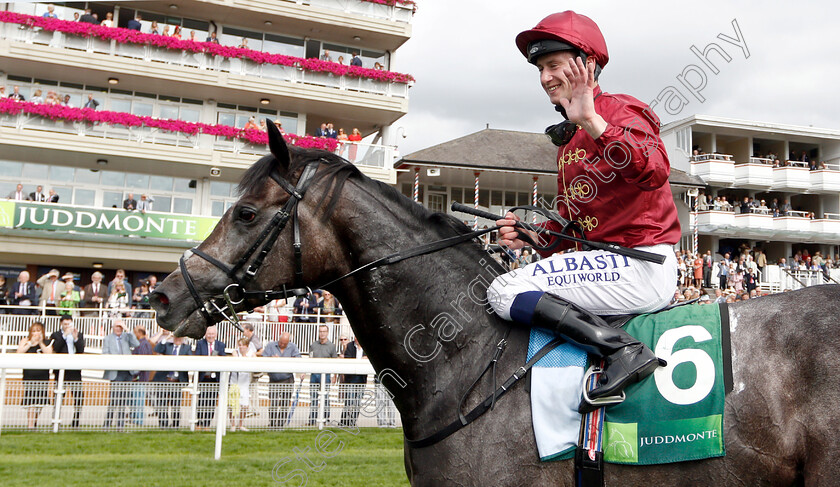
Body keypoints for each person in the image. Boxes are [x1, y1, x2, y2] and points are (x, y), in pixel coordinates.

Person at [486, 11, 680, 410]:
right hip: (608, 264)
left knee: (504, 291)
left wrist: (593, 120)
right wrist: (531, 236)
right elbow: (574, 230)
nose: (544, 77)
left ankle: (623, 351)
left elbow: (656, 171)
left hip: (642, 265)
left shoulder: (621, 110)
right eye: (540, 68)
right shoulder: (568, 141)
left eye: (554, 65)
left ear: (588, 65)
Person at [102, 320, 139, 430]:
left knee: (124, 400)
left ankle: (120, 425)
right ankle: (107, 425)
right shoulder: (108, 338)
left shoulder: (126, 337)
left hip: (127, 372)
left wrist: (127, 330)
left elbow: (136, 344)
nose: (118, 329)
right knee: (114, 400)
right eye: (117, 327)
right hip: (116, 372)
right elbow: (105, 353)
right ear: (113, 327)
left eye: (120, 327)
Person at [50, 316, 85, 428]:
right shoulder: (55, 335)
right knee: (59, 396)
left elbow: (81, 350)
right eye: (65, 324)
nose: (67, 326)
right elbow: (56, 348)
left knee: (78, 396)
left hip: (74, 370)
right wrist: (64, 336)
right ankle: (56, 419)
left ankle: (76, 421)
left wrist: (75, 339)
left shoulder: (78, 334)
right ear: (61, 324)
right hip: (61, 370)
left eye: (69, 324)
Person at [262, 332, 302, 428]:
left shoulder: (293, 347)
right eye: (281, 342)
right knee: (274, 403)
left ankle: (280, 424)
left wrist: (285, 359)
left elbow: (298, 359)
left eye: (285, 343)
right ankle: (272, 424)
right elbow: (263, 358)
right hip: (274, 378)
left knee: (285, 402)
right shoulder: (271, 346)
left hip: (287, 379)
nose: (282, 345)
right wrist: (271, 359)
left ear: (288, 342)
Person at [17, 321, 52, 429]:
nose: (36, 333)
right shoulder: (25, 340)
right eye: (34, 331)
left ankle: (34, 422)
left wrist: (41, 343)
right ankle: (30, 426)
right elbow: (19, 352)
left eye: (38, 331)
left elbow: (49, 354)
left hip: (43, 375)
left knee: (40, 402)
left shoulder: (47, 342)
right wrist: (30, 343)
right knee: (31, 401)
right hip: (29, 375)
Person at [152, 334, 191, 428]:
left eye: (179, 337)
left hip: (177, 381)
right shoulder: (167, 346)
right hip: (164, 380)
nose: (177, 339)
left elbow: (190, 361)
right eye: (176, 337)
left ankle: (175, 425)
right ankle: (163, 425)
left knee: (176, 405)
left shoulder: (186, 348)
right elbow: (157, 349)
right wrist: (166, 338)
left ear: (183, 339)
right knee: (162, 404)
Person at [194, 325, 226, 429]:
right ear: (205, 334)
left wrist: (218, 358)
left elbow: (224, 358)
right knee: (202, 401)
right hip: (204, 377)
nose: (210, 336)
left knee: (212, 402)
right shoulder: (200, 343)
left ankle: (207, 424)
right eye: (209, 334)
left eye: (212, 334)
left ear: (215, 335)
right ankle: (198, 423)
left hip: (215, 378)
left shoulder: (220, 345)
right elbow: (197, 357)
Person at [308, 325, 337, 426]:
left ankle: (325, 418)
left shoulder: (331, 346)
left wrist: (334, 375)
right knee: (313, 397)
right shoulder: (314, 345)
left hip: (326, 375)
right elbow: (310, 358)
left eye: (324, 331)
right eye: (320, 331)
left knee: (325, 398)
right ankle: (312, 419)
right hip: (314, 375)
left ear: (327, 333)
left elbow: (334, 362)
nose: (322, 333)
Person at [228, 338, 256, 431]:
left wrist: (245, 356)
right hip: (234, 381)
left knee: (245, 405)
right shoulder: (235, 352)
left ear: (247, 346)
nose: (240, 347)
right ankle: (232, 424)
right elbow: (237, 360)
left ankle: (240, 424)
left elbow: (254, 362)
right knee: (233, 404)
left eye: (242, 345)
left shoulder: (251, 353)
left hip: (245, 382)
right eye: (239, 345)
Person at [339, 336, 366, 427]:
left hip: (361, 378)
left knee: (357, 402)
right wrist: (359, 361)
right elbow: (348, 358)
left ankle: (352, 422)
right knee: (349, 401)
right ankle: (344, 421)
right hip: (351, 378)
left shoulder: (366, 347)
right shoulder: (350, 346)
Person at [129, 326, 153, 426]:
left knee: (138, 400)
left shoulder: (142, 344)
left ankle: (138, 421)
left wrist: (135, 374)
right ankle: (136, 419)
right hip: (142, 377)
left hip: (140, 377)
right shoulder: (145, 343)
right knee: (138, 399)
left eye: (135, 332)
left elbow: (141, 362)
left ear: (139, 333)